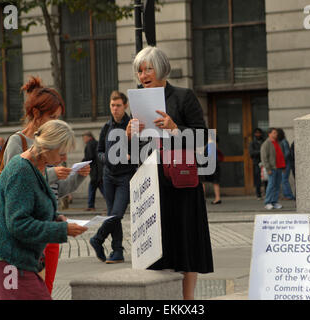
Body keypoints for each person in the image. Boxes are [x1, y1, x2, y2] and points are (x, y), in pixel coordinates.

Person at [126, 46, 214, 300]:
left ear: (162, 68)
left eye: (148, 69)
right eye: (139, 71)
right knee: (157, 247)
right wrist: (130, 136)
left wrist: (175, 128)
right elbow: (135, 151)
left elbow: (203, 136)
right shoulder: (138, 102)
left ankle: (187, 300)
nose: (143, 75)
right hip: (152, 184)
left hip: (182, 183)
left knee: (185, 244)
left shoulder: (183, 97)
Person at [2, 76, 90, 295]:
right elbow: (15, 180)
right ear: (36, 114)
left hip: (48, 229)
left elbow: (57, 191)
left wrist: (78, 176)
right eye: (52, 117)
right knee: (22, 293)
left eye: (58, 117)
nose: (55, 122)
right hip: (24, 235)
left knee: (45, 290)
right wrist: (52, 173)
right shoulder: (19, 142)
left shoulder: (53, 141)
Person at [0, 120, 88, 300]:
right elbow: (18, 223)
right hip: (7, 255)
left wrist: (55, 218)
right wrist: (62, 229)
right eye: (62, 153)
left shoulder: (34, 167)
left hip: (12, 254)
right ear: (47, 147)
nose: (64, 158)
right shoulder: (21, 171)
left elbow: (31, 209)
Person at [89, 91, 136, 264]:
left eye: (118, 105)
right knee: (112, 214)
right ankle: (117, 251)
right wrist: (105, 159)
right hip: (108, 177)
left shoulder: (132, 126)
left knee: (116, 214)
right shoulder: (106, 127)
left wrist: (131, 155)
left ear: (125, 106)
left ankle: (98, 239)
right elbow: (99, 151)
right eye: (112, 105)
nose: (115, 109)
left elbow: (142, 147)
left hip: (126, 176)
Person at [261, 128, 285, 210]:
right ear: (269, 134)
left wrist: (283, 167)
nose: (276, 134)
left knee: (277, 185)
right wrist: (268, 168)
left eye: (276, 133)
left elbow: (281, 155)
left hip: (279, 167)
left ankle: (274, 201)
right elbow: (264, 158)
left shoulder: (278, 143)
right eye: (274, 133)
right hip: (272, 168)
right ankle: (268, 202)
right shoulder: (266, 144)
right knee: (271, 185)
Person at [82, 131, 104, 211]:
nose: (84, 140)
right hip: (99, 170)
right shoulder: (97, 143)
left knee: (93, 187)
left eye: (84, 138)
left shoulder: (89, 144)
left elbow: (89, 156)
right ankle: (110, 204)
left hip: (94, 171)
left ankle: (91, 205)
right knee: (101, 187)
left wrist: (81, 163)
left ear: (89, 137)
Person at [202, 135, 221, 204]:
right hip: (215, 163)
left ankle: (203, 198)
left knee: (202, 181)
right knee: (215, 182)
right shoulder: (215, 144)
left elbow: (208, 155)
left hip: (209, 164)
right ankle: (217, 198)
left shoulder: (210, 144)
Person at [277, 128, 295, 200]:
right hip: (283, 163)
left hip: (285, 164)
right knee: (283, 179)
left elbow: (287, 153)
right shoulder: (280, 141)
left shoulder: (284, 141)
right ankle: (286, 195)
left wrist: (282, 160)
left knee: (284, 179)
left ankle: (289, 195)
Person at [249, 128, 266, 200]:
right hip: (256, 162)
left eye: (259, 133)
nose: (258, 134)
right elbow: (251, 153)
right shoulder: (252, 142)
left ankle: (266, 193)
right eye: (256, 133)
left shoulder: (264, 141)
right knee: (257, 179)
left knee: (266, 179)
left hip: (264, 162)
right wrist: (260, 152)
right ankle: (258, 194)